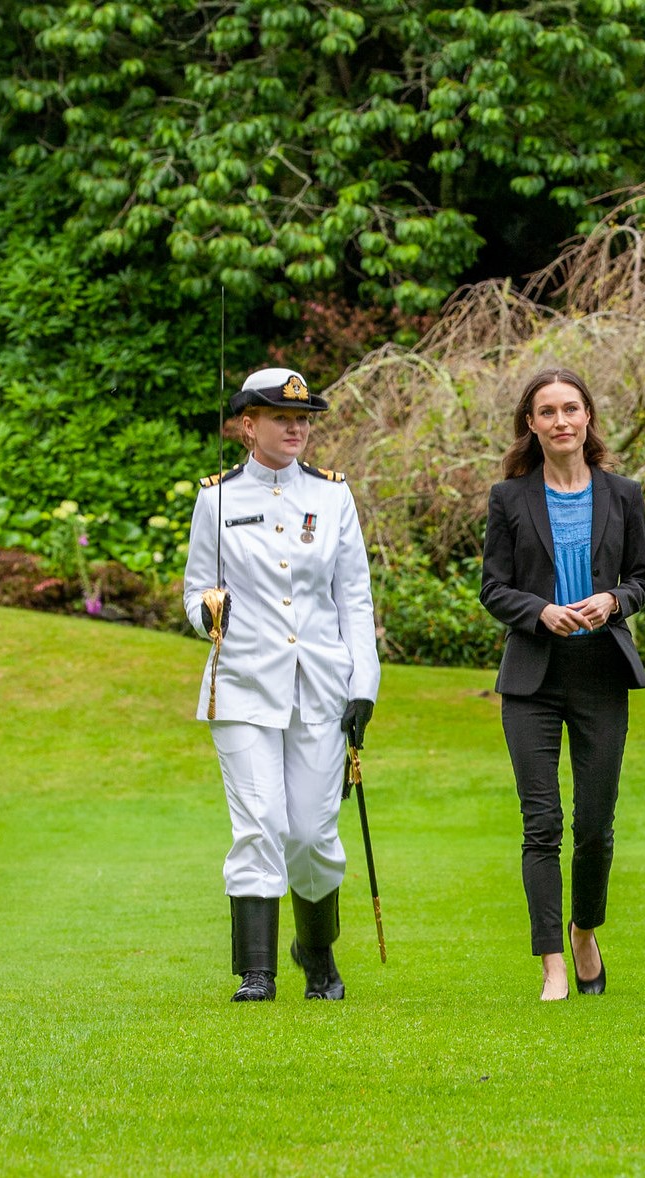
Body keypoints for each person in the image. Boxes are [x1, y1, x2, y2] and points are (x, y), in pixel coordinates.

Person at [183, 365, 381, 1003]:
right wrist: (206, 611)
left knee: (312, 833)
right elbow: (195, 592)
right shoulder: (215, 499)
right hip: (241, 682)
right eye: (280, 418)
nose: (296, 428)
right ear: (248, 426)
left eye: (302, 419)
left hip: (321, 685)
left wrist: (364, 685)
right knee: (260, 822)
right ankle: (257, 972)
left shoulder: (331, 496)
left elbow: (354, 598)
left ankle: (315, 951)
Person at [480, 367, 645, 1002]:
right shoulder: (509, 498)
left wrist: (612, 600)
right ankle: (552, 960)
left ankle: (585, 930)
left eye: (571, 409)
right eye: (547, 411)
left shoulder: (623, 494)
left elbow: (640, 579)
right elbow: (493, 587)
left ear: (588, 418)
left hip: (601, 674)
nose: (560, 421)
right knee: (541, 824)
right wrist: (539, 611)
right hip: (533, 676)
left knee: (595, 824)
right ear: (531, 423)